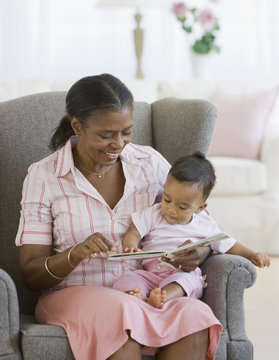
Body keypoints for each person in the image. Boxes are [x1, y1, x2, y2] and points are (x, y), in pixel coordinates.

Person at [15, 73, 222, 360]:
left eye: (126, 132)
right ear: (77, 125)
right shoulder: (44, 176)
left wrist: (198, 251)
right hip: (73, 295)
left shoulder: (149, 163)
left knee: (195, 314)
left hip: (145, 290)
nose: (119, 144)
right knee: (119, 313)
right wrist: (76, 254)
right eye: (106, 134)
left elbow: (198, 220)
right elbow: (31, 273)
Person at [113, 153, 271, 308]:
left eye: (182, 207)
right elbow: (135, 231)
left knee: (189, 280)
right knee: (127, 278)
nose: (171, 209)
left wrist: (251, 254)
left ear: (200, 207)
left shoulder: (204, 224)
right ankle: (139, 295)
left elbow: (229, 243)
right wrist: (131, 245)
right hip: (150, 274)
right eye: (167, 199)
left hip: (180, 273)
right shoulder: (154, 213)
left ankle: (162, 297)